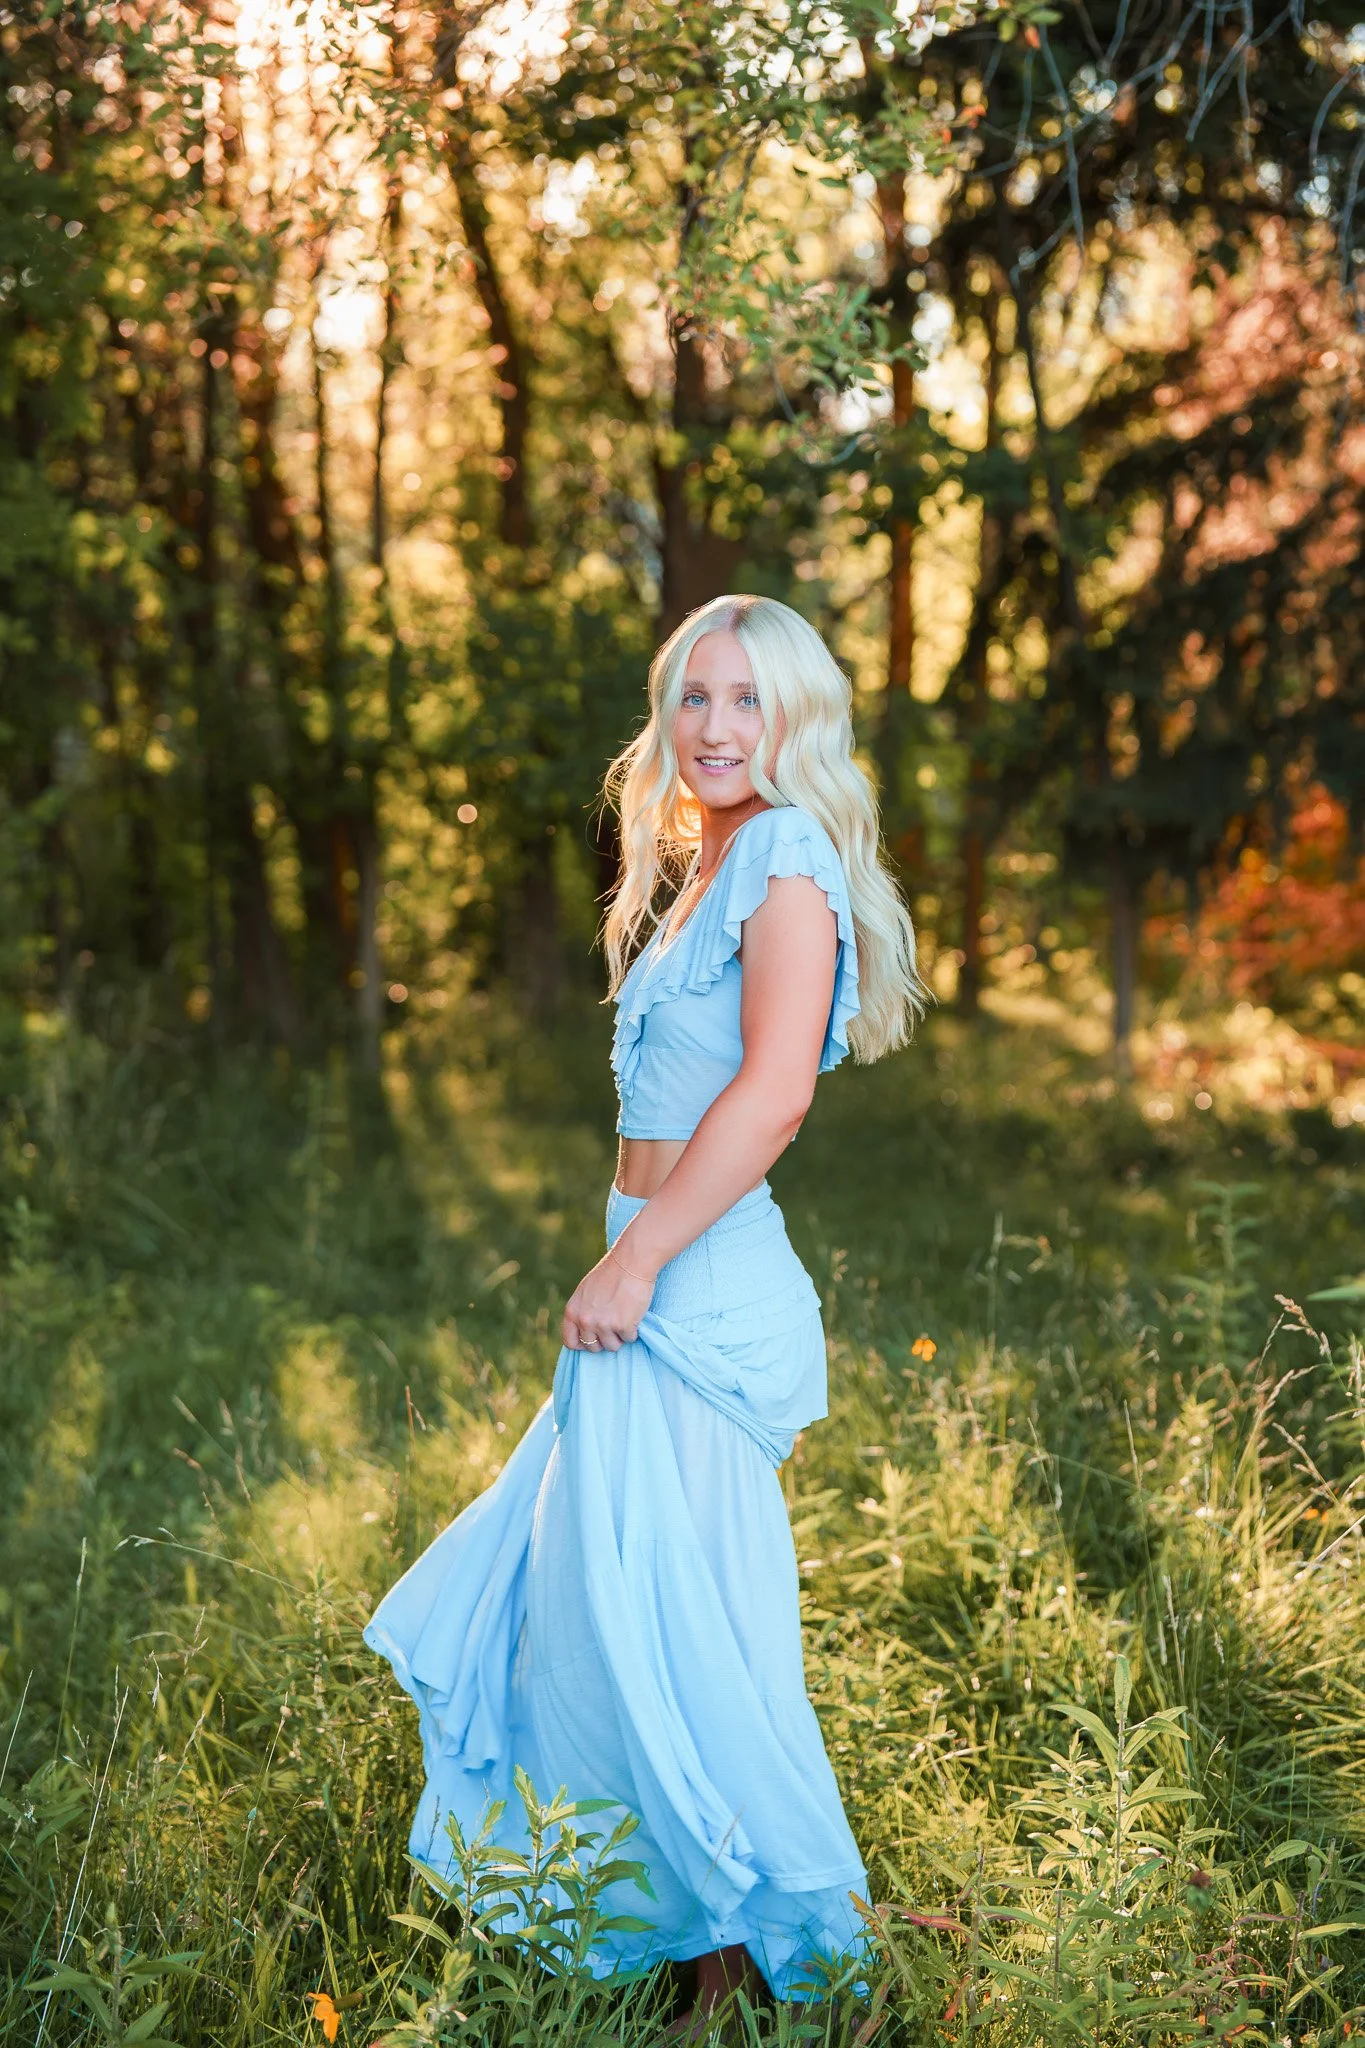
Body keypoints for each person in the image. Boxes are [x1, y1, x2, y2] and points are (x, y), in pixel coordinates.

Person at [364, 592, 925, 2031]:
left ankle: (782, 1958)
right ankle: (687, 1946)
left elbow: (775, 1094)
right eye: (695, 697)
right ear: (667, 715)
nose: (719, 727)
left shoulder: (784, 854)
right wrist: (625, 1248)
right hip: (654, 1258)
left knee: (684, 1629)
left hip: (692, 1279)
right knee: (611, 1617)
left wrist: (635, 1264)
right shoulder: (707, 865)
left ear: (795, 720)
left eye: (749, 701)